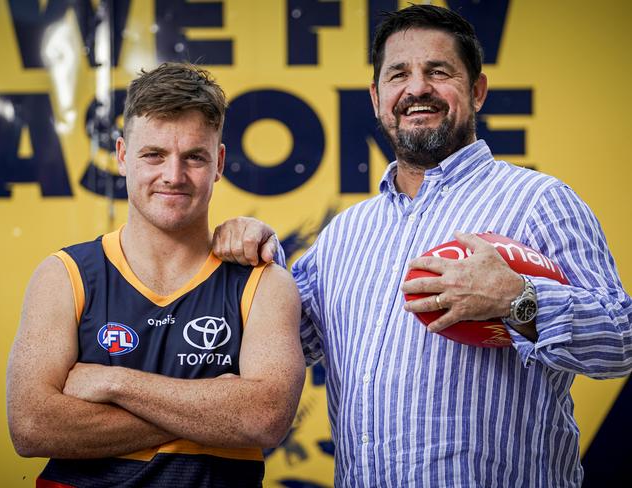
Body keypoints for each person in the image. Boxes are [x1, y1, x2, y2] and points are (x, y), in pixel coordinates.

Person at [212, 4, 632, 487]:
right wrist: (256, 257)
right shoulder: (345, 234)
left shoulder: (540, 202)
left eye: (438, 71)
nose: (416, 89)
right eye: (398, 75)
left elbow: (621, 341)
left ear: (477, 91)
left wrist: (518, 299)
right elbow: (279, 344)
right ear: (376, 97)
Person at [6, 63, 305, 488]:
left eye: (194, 157)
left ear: (218, 163)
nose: (173, 175)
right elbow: (32, 425)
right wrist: (214, 409)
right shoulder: (64, 275)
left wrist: (114, 382)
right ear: (123, 156)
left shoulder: (262, 282)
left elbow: (264, 418)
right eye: (154, 155)